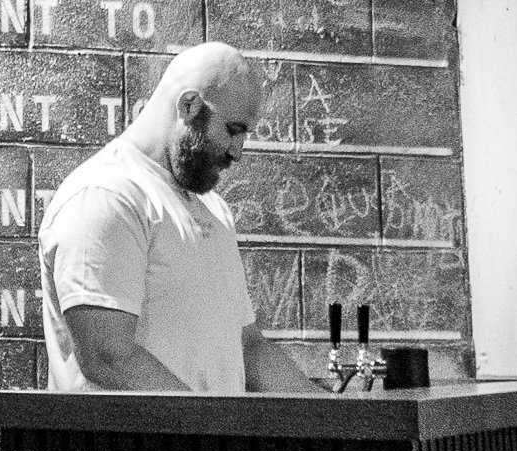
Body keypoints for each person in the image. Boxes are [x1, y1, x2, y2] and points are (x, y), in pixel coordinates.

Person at [38, 42, 315, 393]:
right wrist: (212, 435)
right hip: (138, 448)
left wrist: (343, 423)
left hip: (202, 444)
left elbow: (249, 348)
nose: (237, 152)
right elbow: (107, 356)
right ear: (189, 105)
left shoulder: (211, 208)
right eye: (232, 130)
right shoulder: (106, 195)